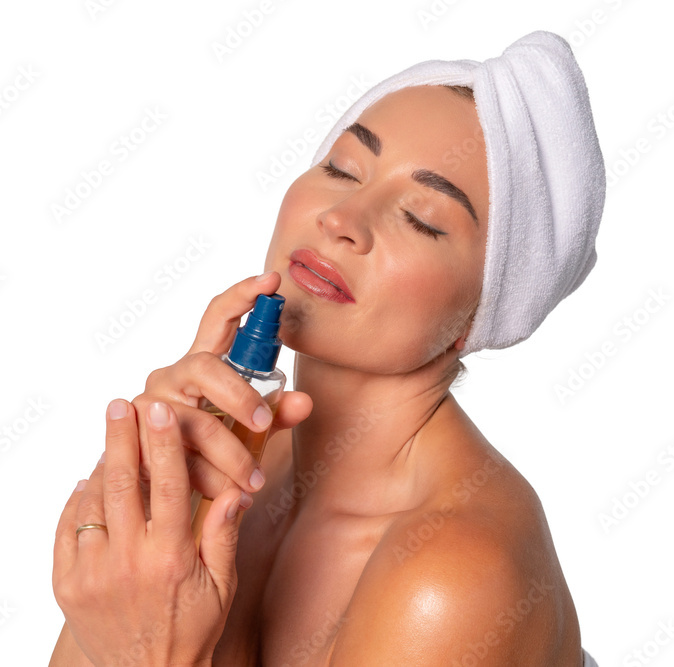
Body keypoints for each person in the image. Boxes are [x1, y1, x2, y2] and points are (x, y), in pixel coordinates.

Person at [50, 30, 605, 666]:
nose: (342, 218)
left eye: (421, 218)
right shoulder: (228, 467)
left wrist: (146, 650)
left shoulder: (455, 576)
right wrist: (146, 508)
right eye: (342, 169)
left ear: (478, 316)